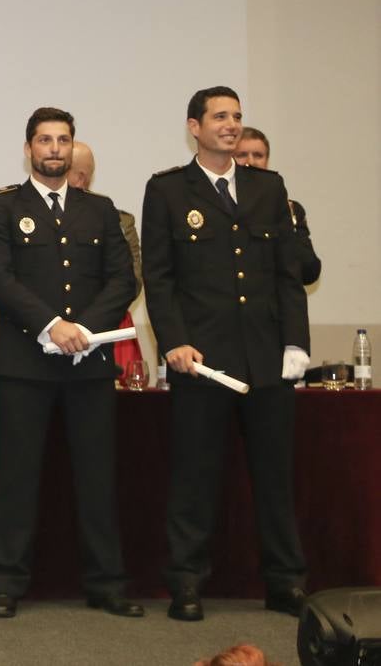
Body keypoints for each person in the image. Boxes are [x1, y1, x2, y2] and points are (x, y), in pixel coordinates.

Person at [143, 86, 310, 621]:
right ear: (195, 126)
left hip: (265, 359)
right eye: (220, 117)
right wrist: (172, 340)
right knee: (194, 479)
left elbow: (288, 275)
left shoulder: (267, 187)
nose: (232, 125)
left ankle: (285, 582)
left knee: (275, 480)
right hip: (202, 361)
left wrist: (295, 343)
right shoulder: (168, 190)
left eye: (237, 116)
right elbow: (160, 277)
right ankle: (187, 583)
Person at [0, 107, 142, 619]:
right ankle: (4, 583)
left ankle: (106, 583)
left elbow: (124, 279)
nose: (54, 149)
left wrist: (83, 330)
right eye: (45, 140)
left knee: (97, 478)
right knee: (16, 477)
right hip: (26, 364)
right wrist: (51, 325)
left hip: (88, 364)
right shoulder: (2, 206)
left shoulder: (100, 209)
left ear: (72, 148)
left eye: (63, 140)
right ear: (28, 148)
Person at [67, 141, 144, 376]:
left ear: (80, 178)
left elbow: (133, 282)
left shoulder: (117, 221)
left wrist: (85, 324)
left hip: (100, 335)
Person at [234, 127, 321, 285]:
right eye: (242, 155)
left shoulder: (289, 208)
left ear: (267, 160)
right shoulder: (222, 207)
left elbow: (309, 271)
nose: (250, 161)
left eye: (258, 155)